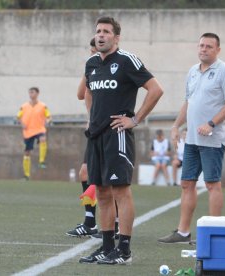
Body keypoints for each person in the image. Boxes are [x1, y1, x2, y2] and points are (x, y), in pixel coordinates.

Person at [79, 16, 163, 265]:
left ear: (116, 37)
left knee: (120, 192)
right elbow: (88, 93)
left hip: (117, 134)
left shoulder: (127, 60)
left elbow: (156, 89)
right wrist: (92, 118)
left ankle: (124, 250)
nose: (101, 35)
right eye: (98, 31)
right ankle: (106, 247)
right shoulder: (91, 63)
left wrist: (134, 120)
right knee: (101, 193)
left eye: (106, 31)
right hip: (95, 136)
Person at [158, 33, 225, 244]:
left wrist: (211, 123)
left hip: (213, 138)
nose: (203, 49)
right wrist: (176, 126)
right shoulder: (192, 71)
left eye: (209, 46)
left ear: (217, 50)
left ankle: (213, 232)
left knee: (212, 184)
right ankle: (183, 232)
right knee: (186, 183)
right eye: (201, 45)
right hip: (192, 139)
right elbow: (188, 103)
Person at [66, 38, 99, 237]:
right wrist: (89, 68)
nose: (92, 53)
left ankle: (117, 224)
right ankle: (90, 222)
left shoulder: (114, 68)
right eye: (91, 50)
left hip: (109, 129)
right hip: (94, 130)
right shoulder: (92, 69)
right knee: (85, 173)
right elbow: (81, 94)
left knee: (110, 181)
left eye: (93, 50)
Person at [17, 87, 51, 180]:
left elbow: (48, 116)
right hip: (28, 131)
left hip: (39, 129)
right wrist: (22, 123)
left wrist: (47, 121)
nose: (31, 94)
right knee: (27, 152)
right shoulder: (24, 106)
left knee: (43, 138)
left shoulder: (43, 106)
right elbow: (18, 116)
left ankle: (41, 161)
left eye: (32, 92)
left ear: (37, 93)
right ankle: (26, 175)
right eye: (30, 93)